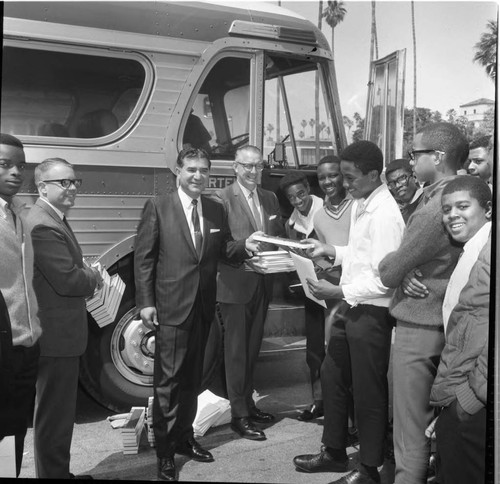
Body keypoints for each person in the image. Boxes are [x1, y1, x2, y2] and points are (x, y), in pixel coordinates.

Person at [134, 147, 260, 481]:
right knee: (168, 384)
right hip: (171, 307)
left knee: (193, 379)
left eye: (204, 170)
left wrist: (249, 244)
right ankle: (164, 452)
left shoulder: (216, 209)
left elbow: (226, 250)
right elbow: (144, 258)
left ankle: (185, 439)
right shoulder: (159, 207)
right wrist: (146, 302)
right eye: (191, 170)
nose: (198, 176)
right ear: (178, 171)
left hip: (204, 306)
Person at [293, 140, 405, 484]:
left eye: (350, 177)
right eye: (342, 176)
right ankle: (334, 452)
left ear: (373, 175)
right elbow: (359, 253)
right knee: (332, 375)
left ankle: (369, 469)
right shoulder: (362, 201)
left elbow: (386, 280)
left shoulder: (385, 214)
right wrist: (332, 250)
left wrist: (338, 290)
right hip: (353, 306)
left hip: (371, 313)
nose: (344, 184)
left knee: (369, 393)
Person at [378, 122, 469, 484]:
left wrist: (398, 268)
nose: (411, 160)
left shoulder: (436, 208)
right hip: (441, 322)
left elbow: (390, 269)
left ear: (439, 157)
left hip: (420, 326)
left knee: (409, 427)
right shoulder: (459, 195)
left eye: (416, 153)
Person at [26, 158, 103, 479]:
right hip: (56, 338)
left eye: (74, 182)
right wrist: (93, 276)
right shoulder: (43, 224)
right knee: (54, 416)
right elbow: (68, 281)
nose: (71, 188)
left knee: (56, 413)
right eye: (63, 182)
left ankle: (58, 473)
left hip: (58, 334)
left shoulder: (51, 217)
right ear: (42, 187)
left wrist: (80, 269)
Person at [214, 145, 285, 441]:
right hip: (235, 285)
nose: (253, 172)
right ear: (235, 167)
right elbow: (217, 247)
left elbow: (278, 236)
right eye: (247, 166)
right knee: (236, 354)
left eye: (258, 166)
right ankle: (239, 415)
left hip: (262, 283)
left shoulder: (269, 198)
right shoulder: (220, 199)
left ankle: (248, 404)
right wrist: (246, 246)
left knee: (252, 350)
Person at [429, 176, 492, 484]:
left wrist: (466, 400)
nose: (452, 214)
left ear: (489, 210)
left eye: (463, 206)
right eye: (447, 209)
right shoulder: (472, 249)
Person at [0, 133, 42, 477]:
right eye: (4, 164)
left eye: (20, 166)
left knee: (13, 433)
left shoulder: (16, 214)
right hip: (3, 347)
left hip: (25, 345)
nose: (16, 172)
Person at [279, 170, 325, 421]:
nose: (298, 201)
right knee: (315, 349)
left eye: (301, 194)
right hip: (311, 293)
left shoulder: (328, 210)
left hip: (337, 292)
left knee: (338, 350)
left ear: (309, 188)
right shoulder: (291, 224)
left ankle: (345, 407)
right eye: (292, 198)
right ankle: (319, 400)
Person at [385, 158, 423, 223]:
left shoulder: (426, 203)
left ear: (415, 177)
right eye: (392, 183)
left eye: (402, 179)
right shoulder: (399, 213)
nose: (397, 186)